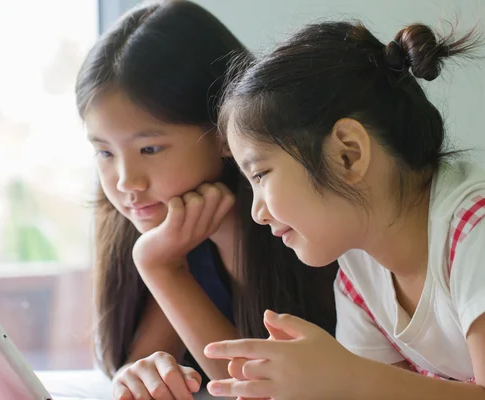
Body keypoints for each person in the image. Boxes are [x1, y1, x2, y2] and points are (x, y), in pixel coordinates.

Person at [204, 20, 485, 399]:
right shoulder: (359, 269)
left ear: (347, 154)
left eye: (260, 174)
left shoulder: (475, 231)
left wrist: (347, 377)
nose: (257, 212)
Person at [75, 2, 338, 399]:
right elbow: (138, 364)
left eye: (149, 149)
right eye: (105, 153)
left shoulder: (292, 220)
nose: (127, 182)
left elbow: (253, 389)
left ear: (222, 131)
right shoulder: (172, 222)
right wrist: (139, 373)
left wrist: (161, 268)